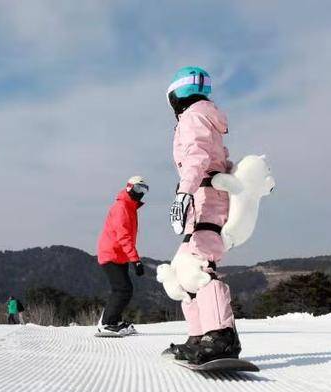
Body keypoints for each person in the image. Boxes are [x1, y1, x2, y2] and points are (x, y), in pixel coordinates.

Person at [164, 66, 241, 363]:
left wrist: (183, 193)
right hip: (202, 196)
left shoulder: (194, 117)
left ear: (176, 95)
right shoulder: (201, 116)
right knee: (184, 268)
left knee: (200, 263)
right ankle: (199, 335)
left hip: (205, 196)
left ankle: (221, 336)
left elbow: (197, 156)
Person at [96, 176, 148, 336]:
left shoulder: (129, 207)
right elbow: (123, 236)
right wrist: (135, 260)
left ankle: (115, 320)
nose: (141, 193)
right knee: (122, 289)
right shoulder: (121, 207)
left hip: (119, 255)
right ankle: (106, 323)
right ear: (129, 187)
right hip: (111, 254)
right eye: (138, 188)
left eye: (144, 190)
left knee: (122, 289)